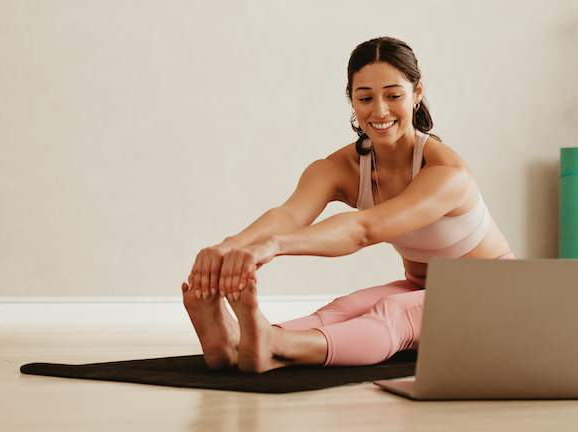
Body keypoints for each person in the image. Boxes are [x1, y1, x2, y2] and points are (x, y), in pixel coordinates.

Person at [181, 36, 513, 373]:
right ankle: (233, 344)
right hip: (422, 287)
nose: (379, 110)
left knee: (394, 313)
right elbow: (290, 214)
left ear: (417, 93)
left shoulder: (446, 173)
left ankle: (274, 344)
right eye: (365, 98)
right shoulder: (341, 167)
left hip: (490, 293)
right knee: (346, 308)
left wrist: (272, 247)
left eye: (393, 95)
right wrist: (229, 248)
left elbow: (363, 229)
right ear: (351, 101)